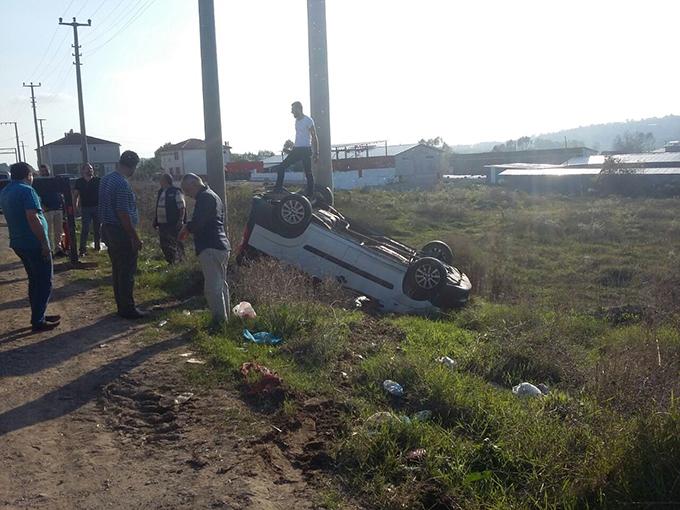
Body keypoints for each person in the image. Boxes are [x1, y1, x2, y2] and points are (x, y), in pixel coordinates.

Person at [0, 162, 60, 331]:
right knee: (44, 281)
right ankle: (38, 320)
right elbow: (32, 218)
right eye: (32, 174)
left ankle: (39, 314)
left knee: (34, 280)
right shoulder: (27, 191)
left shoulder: (5, 191)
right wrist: (44, 243)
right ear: (28, 175)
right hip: (33, 242)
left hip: (19, 242)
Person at [98, 150, 147, 319]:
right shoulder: (122, 184)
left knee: (118, 269)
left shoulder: (106, 180)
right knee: (126, 270)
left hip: (107, 229)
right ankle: (127, 308)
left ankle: (121, 305)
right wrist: (135, 237)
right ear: (132, 166)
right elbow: (123, 213)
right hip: (120, 231)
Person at [179, 173, 230, 324]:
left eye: (187, 190)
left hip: (210, 246)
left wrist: (186, 228)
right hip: (219, 245)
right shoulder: (212, 195)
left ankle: (219, 322)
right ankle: (225, 319)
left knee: (212, 288)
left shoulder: (205, 197)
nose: (187, 195)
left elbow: (198, 222)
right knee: (221, 285)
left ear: (195, 184)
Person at [273, 101, 319, 197]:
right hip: (296, 149)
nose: (291, 112)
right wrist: (291, 149)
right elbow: (300, 138)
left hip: (306, 150)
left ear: (299, 109)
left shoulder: (308, 120)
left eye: (293, 110)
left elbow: (314, 137)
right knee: (281, 167)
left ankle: (311, 194)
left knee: (308, 173)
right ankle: (278, 189)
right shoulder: (297, 121)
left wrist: (316, 153)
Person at [153, 173, 186, 264]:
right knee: (164, 243)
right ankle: (170, 261)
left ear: (166, 181)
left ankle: (181, 261)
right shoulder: (161, 191)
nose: (160, 181)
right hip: (162, 223)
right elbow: (158, 207)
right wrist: (155, 221)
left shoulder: (176, 191)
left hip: (173, 223)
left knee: (176, 242)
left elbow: (181, 207)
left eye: (161, 179)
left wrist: (181, 220)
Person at [37, 164, 66, 257]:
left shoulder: (54, 180)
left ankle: (58, 248)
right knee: (48, 231)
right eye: (42, 171)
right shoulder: (39, 182)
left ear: (49, 170)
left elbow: (61, 192)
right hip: (47, 209)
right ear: (39, 172)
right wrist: (41, 206)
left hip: (58, 208)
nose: (44, 172)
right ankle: (49, 250)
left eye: (46, 170)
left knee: (58, 231)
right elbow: (36, 196)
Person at [73, 163, 101, 256]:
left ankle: (97, 247)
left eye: (91, 168)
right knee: (85, 229)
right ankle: (82, 249)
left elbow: (103, 194)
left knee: (97, 229)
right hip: (85, 208)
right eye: (88, 169)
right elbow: (76, 195)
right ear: (83, 170)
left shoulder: (98, 180)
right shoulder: (79, 182)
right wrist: (75, 207)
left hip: (97, 207)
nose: (90, 170)